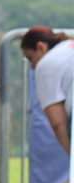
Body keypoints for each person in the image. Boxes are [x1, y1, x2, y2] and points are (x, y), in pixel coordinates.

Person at [20, 26, 73, 155]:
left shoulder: (46, 64)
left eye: (30, 58)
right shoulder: (69, 47)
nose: (32, 66)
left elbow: (58, 124)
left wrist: (71, 157)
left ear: (41, 47)